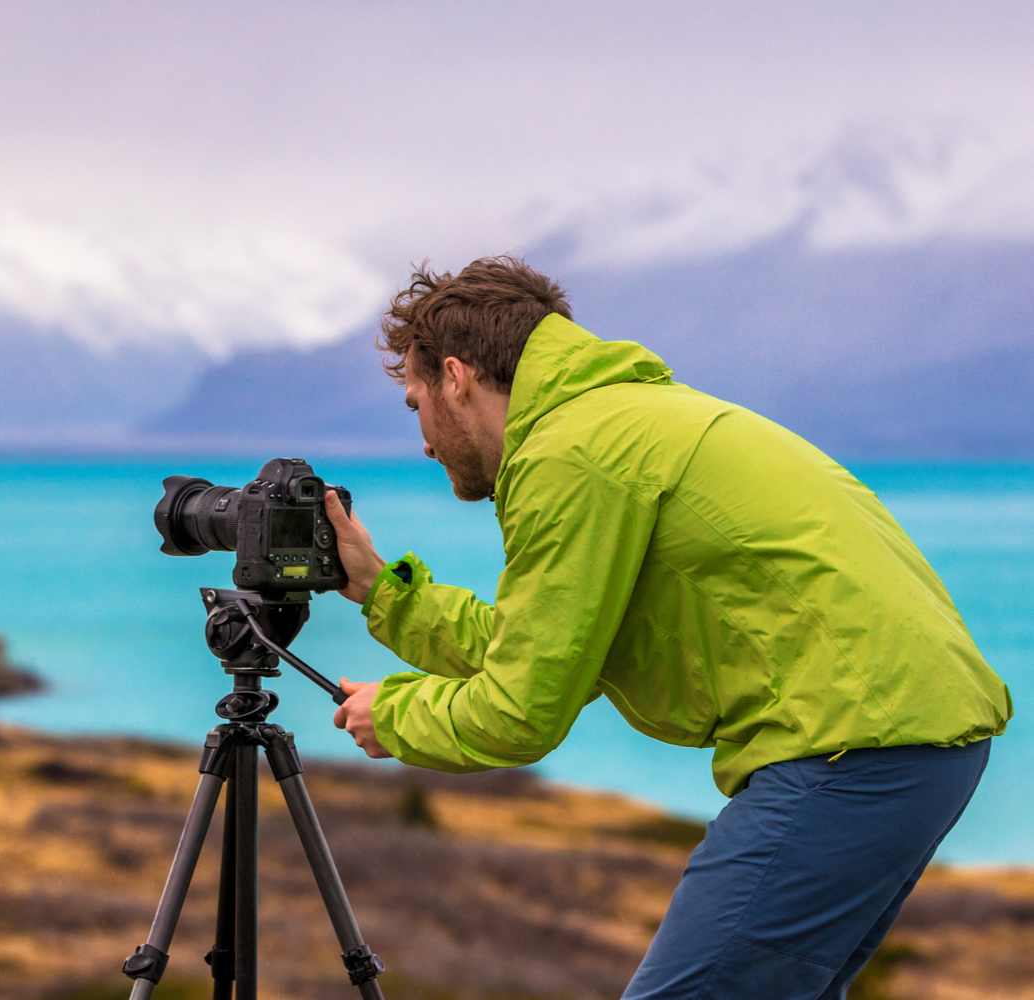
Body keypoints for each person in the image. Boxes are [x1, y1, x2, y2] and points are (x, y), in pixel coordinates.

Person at [321, 257, 1011, 1000]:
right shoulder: (621, 421)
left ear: (456, 378)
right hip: (914, 736)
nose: (425, 443)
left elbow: (521, 712)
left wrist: (394, 715)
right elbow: (546, 648)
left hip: (852, 746)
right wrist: (379, 589)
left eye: (416, 404)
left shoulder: (570, 454)